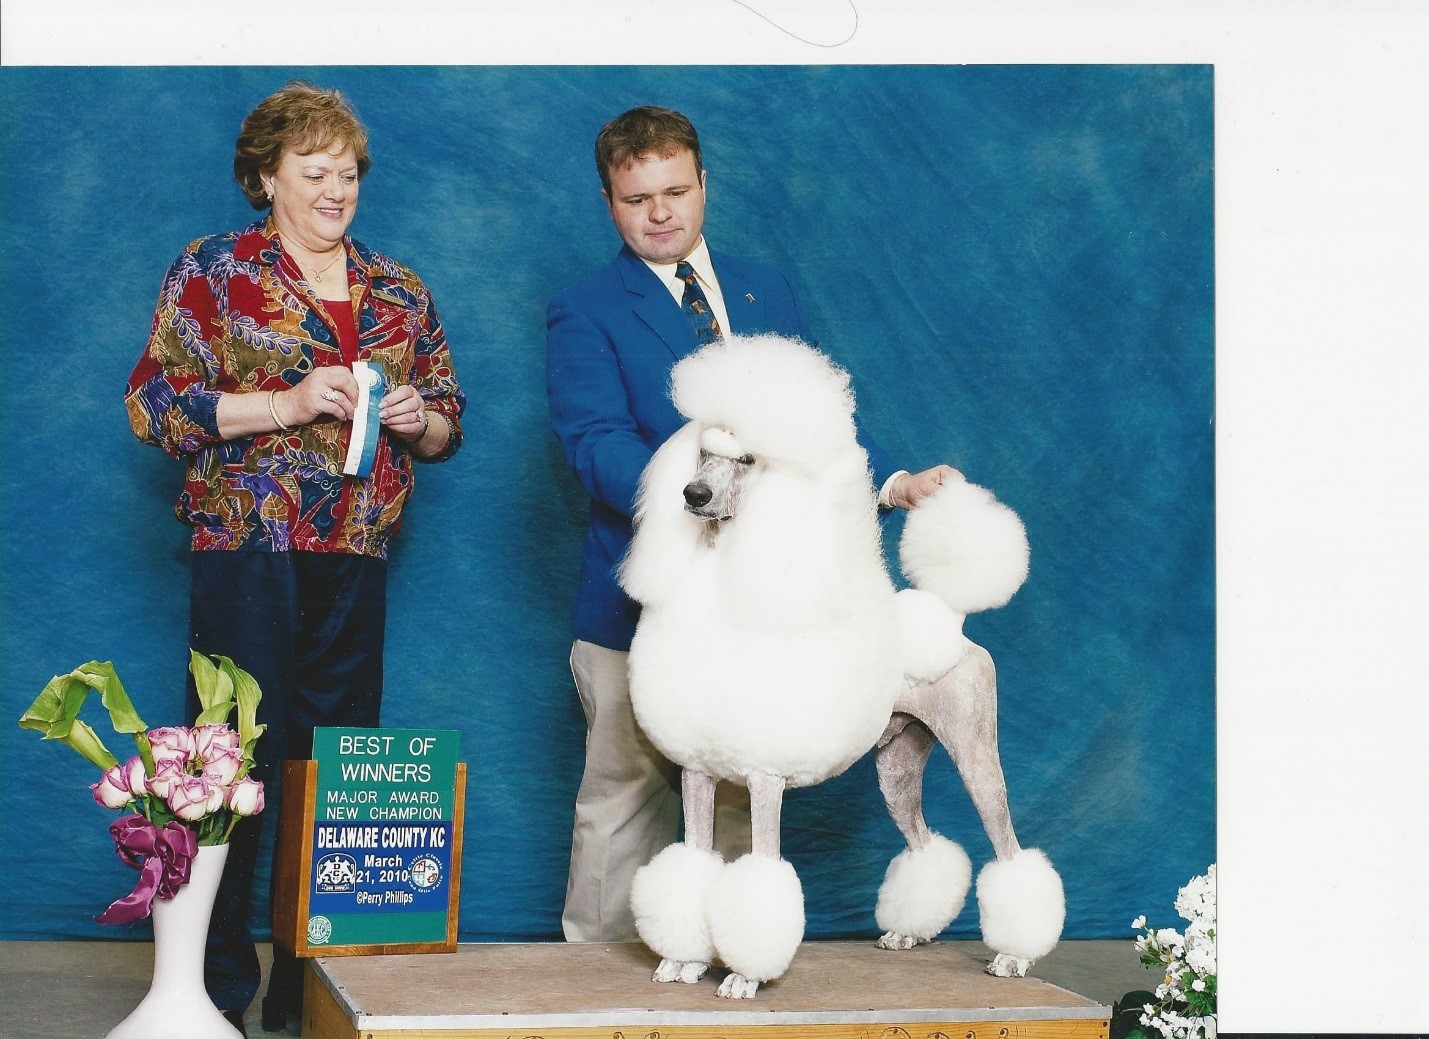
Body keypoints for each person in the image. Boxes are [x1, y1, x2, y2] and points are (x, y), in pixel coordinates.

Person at [546, 105, 956, 943]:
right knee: (622, 801)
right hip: (641, 613)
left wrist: (892, 482)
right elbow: (594, 445)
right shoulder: (583, 309)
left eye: (674, 191)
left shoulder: (767, 288)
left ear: (704, 184)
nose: (659, 213)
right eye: (637, 199)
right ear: (607, 202)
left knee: (741, 807)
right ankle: (589, 985)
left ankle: (734, 966)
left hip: (760, 613)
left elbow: (817, 423)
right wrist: (708, 494)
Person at [125, 82, 465, 1034]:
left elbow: (449, 423)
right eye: (312, 172)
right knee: (230, 769)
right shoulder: (215, 269)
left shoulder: (399, 288)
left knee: (337, 775)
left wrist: (418, 420)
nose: (333, 190)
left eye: (346, 173)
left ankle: (314, 990)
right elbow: (154, 406)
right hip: (247, 546)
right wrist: (287, 402)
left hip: (355, 551)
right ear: (265, 177)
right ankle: (212, 991)